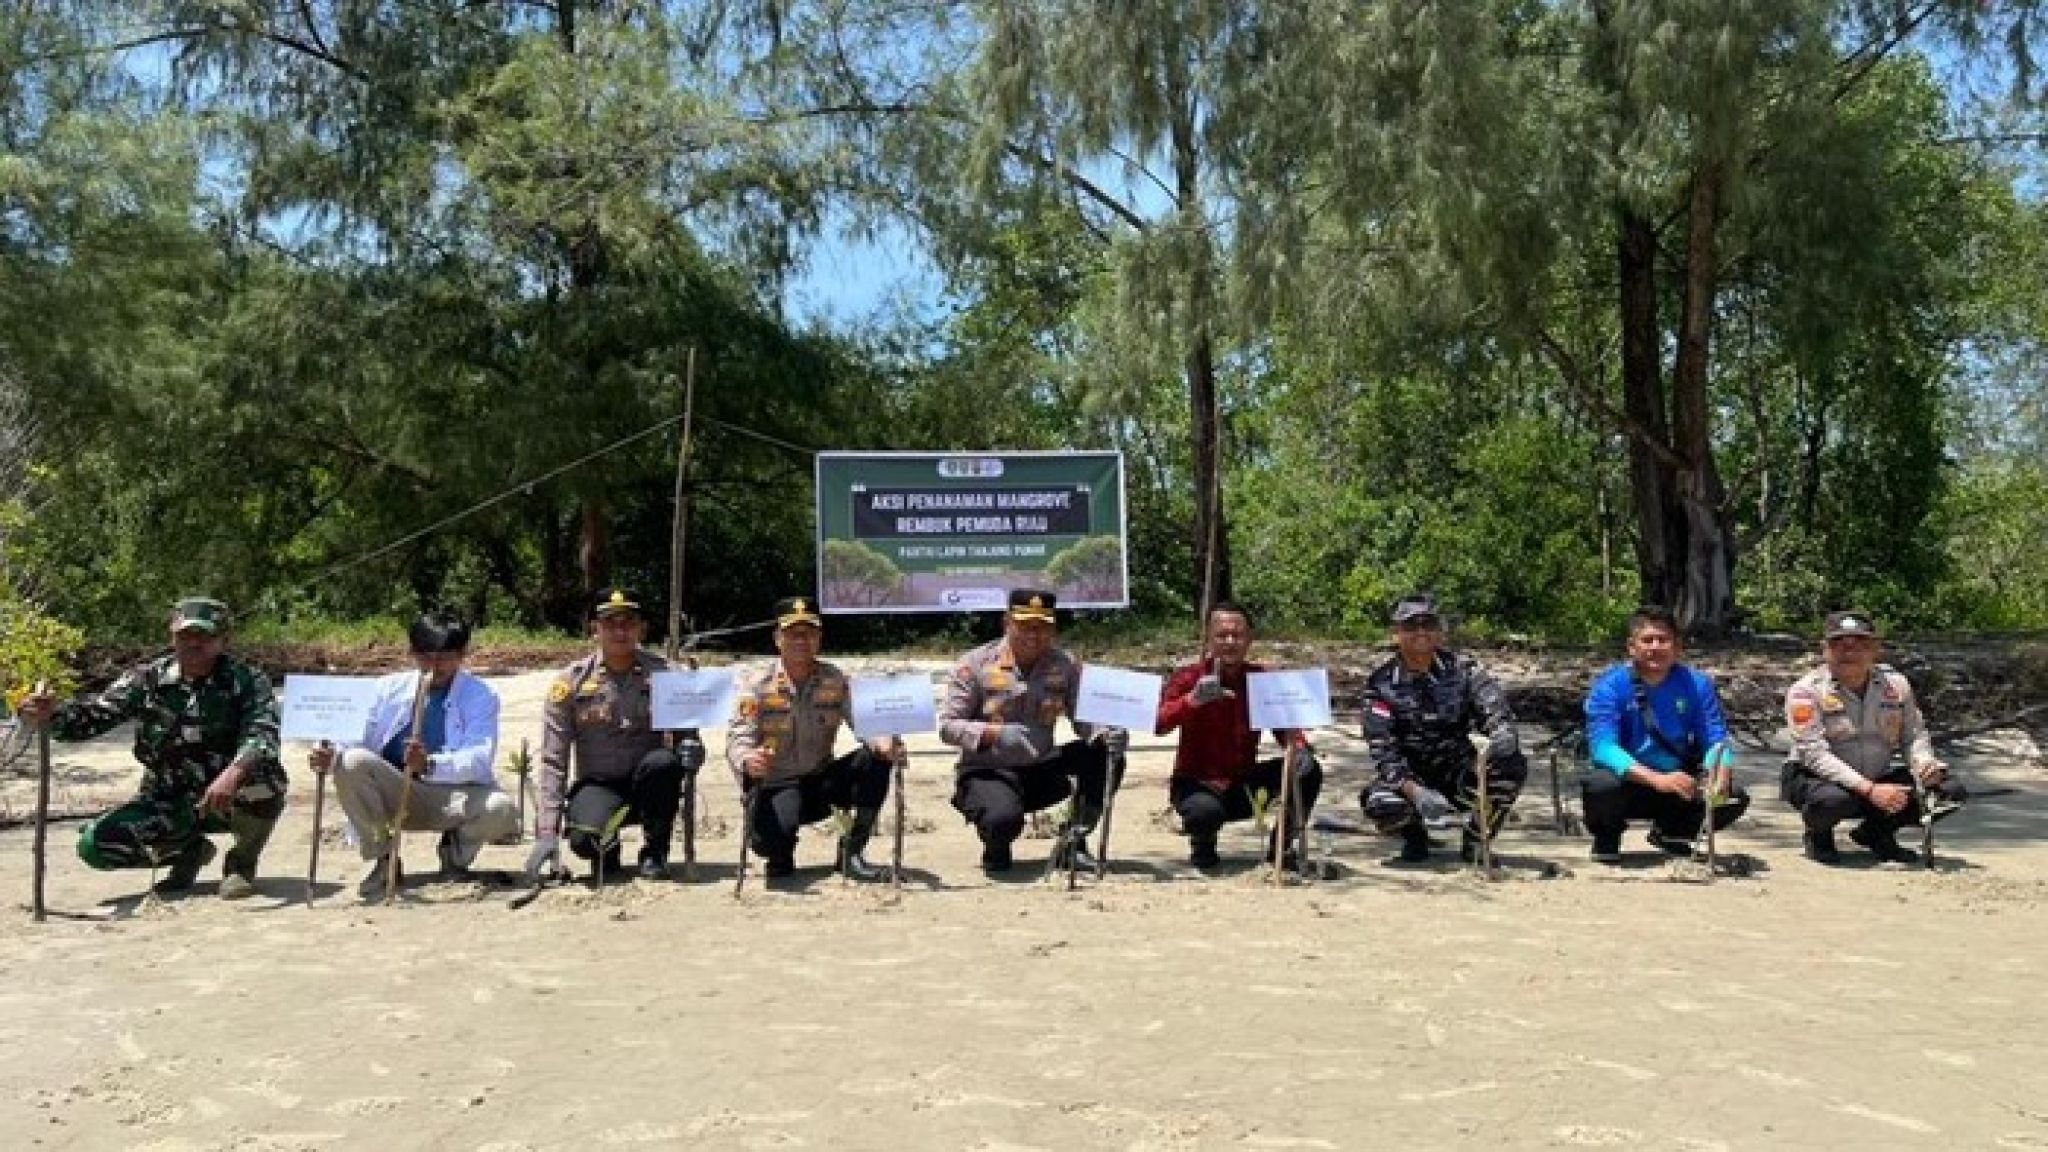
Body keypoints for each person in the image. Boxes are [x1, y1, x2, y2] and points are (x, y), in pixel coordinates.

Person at [18, 597, 285, 899]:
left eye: (205, 636)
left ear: (224, 640)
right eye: (185, 635)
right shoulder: (146, 680)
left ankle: (241, 866)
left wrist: (233, 774)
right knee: (95, 845)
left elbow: (263, 734)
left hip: (228, 795)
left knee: (265, 780)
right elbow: (91, 717)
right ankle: (187, 852)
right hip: (168, 798)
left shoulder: (247, 680)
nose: (194, 643)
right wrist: (49, 715)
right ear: (172, 637)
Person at [312, 611, 517, 898]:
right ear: (412, 653)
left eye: (445, 656)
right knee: (350, 762)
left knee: (500, 809)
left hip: (450, 795)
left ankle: (454, 860)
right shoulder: (385, 689)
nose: (435, 665)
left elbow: (480, 760)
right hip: (395, 791)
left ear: (462, 655)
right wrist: (330, 756)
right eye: (426, 656)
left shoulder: (481, 695)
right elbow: (352, 739)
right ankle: (384, 860)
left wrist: (430, 764)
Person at [938, 589, 1128, 873]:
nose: (1034, 635)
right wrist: (994, 734)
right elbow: (947, 726)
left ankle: (1074, 842)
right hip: (988, 771)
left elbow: (1084, 717)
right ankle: (996, 845)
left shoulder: (1065, 665)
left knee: (1103, 755)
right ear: (1007, 623)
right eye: (1025, 626)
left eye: (1042, 627)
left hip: (1041, 767)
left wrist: (1104, 732)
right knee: (1002, 820)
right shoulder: (974, 665)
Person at [528, 588, 704, 881]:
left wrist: (693, 749)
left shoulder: (667, 676)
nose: (620, 631)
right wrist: (547, 833)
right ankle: (606, 851)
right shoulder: (570, 683)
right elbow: (553, 761)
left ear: (642, 628)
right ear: (594, 629)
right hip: (599, 785)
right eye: (610, 623)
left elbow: (690, 738)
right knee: (584, 840)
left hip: (649, 786)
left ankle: (655, 851)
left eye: (628, 622)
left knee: (664, 763)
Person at [725, 596, 901, 881]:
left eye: (809, 633)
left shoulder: (834, 678)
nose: (801, 641)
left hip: (820, 781)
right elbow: (738, 737)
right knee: (772, 846)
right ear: (777, 639)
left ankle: (851, 852)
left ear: (819, 638)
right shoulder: (755, 683)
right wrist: (748, 760)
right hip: (776, 784)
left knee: (875, 760)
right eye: (792, 634)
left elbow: (863, 721)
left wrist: (882, 742)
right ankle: (778, 848)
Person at [1781, 611, 1966, 865]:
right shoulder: (1805, 691)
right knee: (1832, 800)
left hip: (1876, 774)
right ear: (1825, 649)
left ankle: (1877, 833)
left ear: (1875, 649)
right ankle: (1818, 835)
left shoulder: (1896, 686)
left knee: (1949, 791)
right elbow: (1813, 754)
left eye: (1860, 644)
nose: (1850, 652)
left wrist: (1924, 764)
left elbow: (1913, 735)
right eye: (1840, 644)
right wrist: (1869, 790)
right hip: (1816, 778)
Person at [1358, 594, 1527, 864]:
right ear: (1396, 634)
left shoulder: (1464, 670)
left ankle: (1476, 840)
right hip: (1410, 779)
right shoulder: (1381, 685)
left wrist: (1503, 736)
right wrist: (1415, 792)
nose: (1421, 632)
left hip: (1459, 774)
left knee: (1511, 764)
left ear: (1440, 633)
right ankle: (1415, 838)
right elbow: (1383, 752)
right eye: (1411, 626)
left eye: (1429, 624)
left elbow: (1496, 712)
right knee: (1379, 803)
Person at [1155, 601, 1322, 868]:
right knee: (1203, 813)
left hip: (1243, 783)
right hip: (1197, 785)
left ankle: (1281, 847)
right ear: (1208, 638)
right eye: (1222, 635)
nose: (1230, 641)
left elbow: (1285, 729)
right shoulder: (1189, 678)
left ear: (1249, 639)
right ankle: (1203, 843)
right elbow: (1158, 724)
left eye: (1237, 635)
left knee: (1307, 767)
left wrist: (1299, 746)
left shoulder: (1261, 680)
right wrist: (1192, 701)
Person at [1580, 605, 1750, 863]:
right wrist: (1657, 780)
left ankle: (1673, 833)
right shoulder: (1610, 686)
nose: (1655, 647)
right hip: (1628, 781)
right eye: (1647, 640)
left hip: (1677, 781)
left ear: (1677, 646)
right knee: (1600, 785)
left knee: (1734, 796)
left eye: (1663, 640)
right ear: (1631, 646)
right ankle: (1607, 836)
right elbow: (1603, 748)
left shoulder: (1697, 684)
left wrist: (1720, 770)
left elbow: (1714, 739)